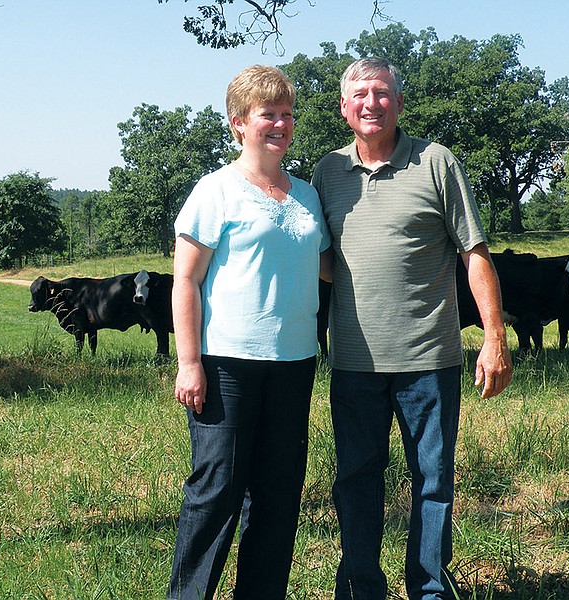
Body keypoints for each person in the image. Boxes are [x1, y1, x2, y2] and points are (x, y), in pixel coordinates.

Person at [311, 57, 513, 599]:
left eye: (382, 93)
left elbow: (474, 253)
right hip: (354, 364)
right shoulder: (327, 172)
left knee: (432, 483)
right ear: (343, 108)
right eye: (360, 95)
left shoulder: (436, 162)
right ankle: (359, 589)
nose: (371, 103)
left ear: (399, 103)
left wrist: (494, 337)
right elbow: (324, 259)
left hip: (429, 361)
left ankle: (429, 591)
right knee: (356, 482)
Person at [168, 65, 331, 600]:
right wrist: (189, 362)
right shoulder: (215, 191)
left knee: (278, 496)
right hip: (227, 365)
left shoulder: (307, 195)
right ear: (238, 123)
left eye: (287, 114)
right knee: (216, 491)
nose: (280, 124)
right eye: (268, 114)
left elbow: (332, 266)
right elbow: (185, 281)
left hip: (295, 363)